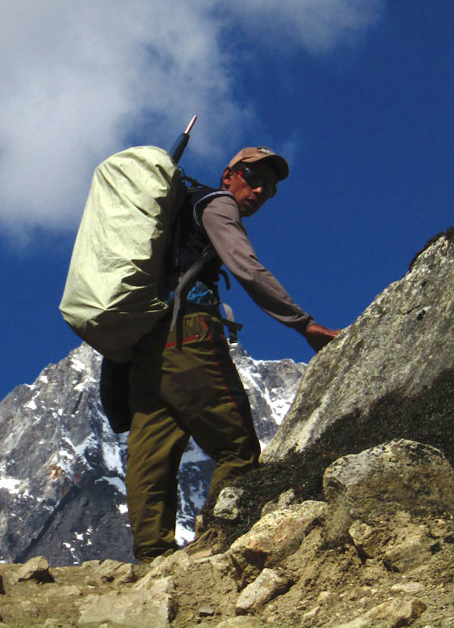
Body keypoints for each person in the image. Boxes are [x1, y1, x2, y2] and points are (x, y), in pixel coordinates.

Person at [106, 146, 339, 563]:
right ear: (229, 174)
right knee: (239, 448)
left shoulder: (177, 213)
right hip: (191, 336)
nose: (260, 189)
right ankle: (220, 542)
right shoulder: (217, 204)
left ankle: (153, 557)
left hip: (146, 345)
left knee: (152, 450)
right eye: (253, 177)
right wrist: (302, 323)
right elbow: (245, 266)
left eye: (268, 188)